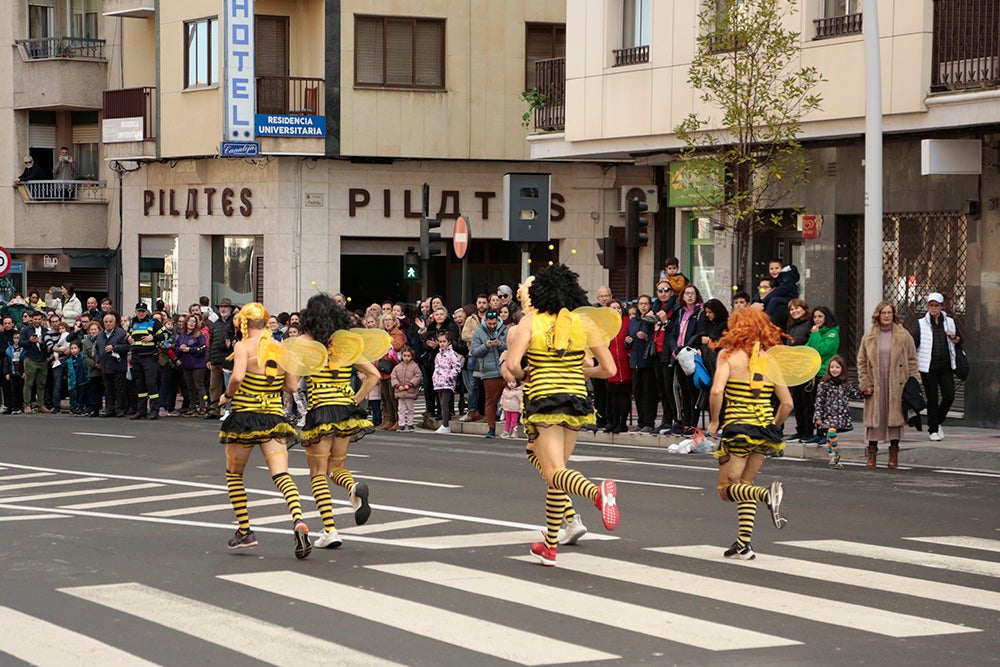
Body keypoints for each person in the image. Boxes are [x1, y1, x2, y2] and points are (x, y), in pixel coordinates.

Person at [503, 264, 620, 567]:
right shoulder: (583, 322)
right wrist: (587, 370)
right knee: (558, 475)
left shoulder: (531, 321)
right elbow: (609, 369)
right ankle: (550, 546)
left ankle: (598, 493)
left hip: (545, 400)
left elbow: (514, 365)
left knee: (554, 472)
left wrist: (525, 372)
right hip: (576, 400)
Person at [219, 302, 311, 558]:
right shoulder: (281, 348)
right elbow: (292, 386)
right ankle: (299, 520)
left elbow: (236, 377)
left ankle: (245, 531)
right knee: (282, 475)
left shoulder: (242, 345)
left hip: (245, 417)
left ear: (244, 323)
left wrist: (226, 396)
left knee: (234, 474)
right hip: (273, 417)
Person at [707, 307, 792, 560]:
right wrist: (773, 426)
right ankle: (743, 544)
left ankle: (767, 495)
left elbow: (715, 392)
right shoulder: (771, 360)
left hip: (738, 427)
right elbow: (787, 404)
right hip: (764, 428)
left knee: (727, 489)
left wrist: (713, 422)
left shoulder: (728, 355)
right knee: (745, 484)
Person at [297, 293, 378, 549]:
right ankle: (353, 487)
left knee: (318, 473)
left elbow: (290, 381)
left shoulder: (306, 342)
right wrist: (355, 399)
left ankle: (330, 529)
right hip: (344, 412)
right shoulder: (346, 345)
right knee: (337, 466)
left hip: (320, 411)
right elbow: (374, 375)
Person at [857, 301, 920, 469]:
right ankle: (872, 454)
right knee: (875, 420)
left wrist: (914, 381)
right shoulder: (869, 336)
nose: (886, 316)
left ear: (894, 315)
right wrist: (865, 383)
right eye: (883, 313)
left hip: (897, 384)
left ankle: (893, 454)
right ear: (878, 315)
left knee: (894, 419)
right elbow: (861, 361)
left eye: (889, 313)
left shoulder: (904, 335)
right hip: (875, 383)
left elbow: (912, 360)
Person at [912, 292, 960, 442]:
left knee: (949, 396)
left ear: (941, 306)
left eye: (936, 305)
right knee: (932, 399)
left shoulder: (950, 322)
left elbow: (959, 341)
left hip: (945, 366)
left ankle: (937, 421)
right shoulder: (921, 323)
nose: (933, 308)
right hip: (928, 367)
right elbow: (914, 343)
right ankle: (933, 429)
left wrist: (952, 336)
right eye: (931, 305)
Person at [813, 355, 862, 468]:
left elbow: (854, 394)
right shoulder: (824, 384)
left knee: (831, 434)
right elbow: (819, 401)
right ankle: (835, 454)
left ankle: (833, 457)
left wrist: (865, 392)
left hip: (841, 414)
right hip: (828, 414)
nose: (834, 370)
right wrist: (818, 417)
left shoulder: (845, 384)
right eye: (832, 367)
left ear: (842, 369)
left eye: (837, 367)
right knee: (830, 432)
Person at [801, 306, 841, 443]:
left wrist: (815, 335)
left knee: (825, 405)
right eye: (815, 317)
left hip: (826, 372)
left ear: (826, 318)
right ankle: (818, 432)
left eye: (820, 317)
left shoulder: (832, 333)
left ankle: (825, 433)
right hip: (815, 371)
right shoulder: (815, 333)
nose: (817, 319)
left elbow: (822, 350)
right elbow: (808, 349)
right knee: (816, 404)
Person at [669, 284, 705, 434]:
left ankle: (693, 423)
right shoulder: (678, 312)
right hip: (678, 355)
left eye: (692, 293)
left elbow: (699, 333)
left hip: (690, 354)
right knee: (682, 389)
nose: (690, 296)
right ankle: (685, 422)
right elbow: (672, 332)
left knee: (692, 390)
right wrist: (674, 349)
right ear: (682, 296)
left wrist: (687, 347)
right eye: (687, 293)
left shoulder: (700, 312)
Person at [470, 309, 508, 438]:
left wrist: (500, 344)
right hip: (489, 371)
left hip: (506, 369)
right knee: (491, 401)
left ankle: (511, 427)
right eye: (490, 323)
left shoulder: (505, 329)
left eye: (494, 323)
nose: (492, 326)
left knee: (512, 399)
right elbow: (474, 352)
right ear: (485, 321)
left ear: (498, 320)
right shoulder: (478, 332)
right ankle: (491, 428)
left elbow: (512, 345)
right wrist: (485, 346)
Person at [127, 302, 166, 420]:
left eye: (143, 311)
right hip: (136, 357)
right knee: (140, 385)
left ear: (146, 312)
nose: (141, 313)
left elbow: (166, 335)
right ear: (135, 312)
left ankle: (154, 410)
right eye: (139, 311)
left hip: (149, 357)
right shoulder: (132, 323)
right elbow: (128, 334)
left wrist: (153, 337)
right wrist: (128, 338)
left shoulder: (153, 322)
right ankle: (141, 411)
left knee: (151, 383)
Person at [625, 294, 657, 433]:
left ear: (650, 305)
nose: (643, 306)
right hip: (635, 362)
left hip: (647, 361)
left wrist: (645, 337)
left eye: (646, 303)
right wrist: (627, 341)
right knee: (638, 393)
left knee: (649, 393)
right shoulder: (634, 321)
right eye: (640, 303)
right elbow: (627, 339)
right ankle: (641, 420)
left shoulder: (651, 320)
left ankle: (649, 421)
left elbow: (654, 337)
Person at [784, 298, 815, 442]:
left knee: (806, 400)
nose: (794, 311)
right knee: (797, 400)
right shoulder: (792, 326)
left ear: (804, 309)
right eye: (791, 309)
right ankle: (800, 429)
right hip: (793, 368)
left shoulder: (809, 324)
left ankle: (808, 430)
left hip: (805, 368)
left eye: (797, 308)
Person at [605, 300, 633, 434]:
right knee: (613, 395)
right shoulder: (606, 324)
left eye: (618, 307)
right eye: (613, 308)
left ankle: (623, 422)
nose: (617, 310)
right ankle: (614, 421)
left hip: (624, 363)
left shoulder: (628, 321)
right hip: (611, 363)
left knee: (623, 394)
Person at [206, 298, 235, 418]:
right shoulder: (216, 323)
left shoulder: (233, 323)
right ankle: (214, 410)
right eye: (221, 307)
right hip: (215, 359)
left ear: (230, 309)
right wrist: (209, 358)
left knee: (229, 386)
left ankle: (229, 410)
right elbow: (211, 342)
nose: (223, 309)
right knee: (214, 386)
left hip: (228, 360)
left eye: (226, 307)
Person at [96, 313, 129, 417]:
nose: (108, 324)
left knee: (120, 389)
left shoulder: (121, 333)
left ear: (115, 323)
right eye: (106, 322)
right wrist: (98, 360)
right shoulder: (100, 334)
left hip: (118, 366)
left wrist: (114, 347)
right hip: (105, 366)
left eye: (110, 322)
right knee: (108, 389)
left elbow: (127, 347)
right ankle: (109, 409)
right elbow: (96, 348)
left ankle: (121, 409)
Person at [19, 311, 52, 414]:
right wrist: (30, 341)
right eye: (35, 319)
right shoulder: (26, 330)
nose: (37, 321)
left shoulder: (46, 330)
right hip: (30, 358)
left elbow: (48, 345)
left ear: (42, 319)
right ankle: (27, 405)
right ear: (31, 319)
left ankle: (41, 404)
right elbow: (20, 342)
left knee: (41, 383)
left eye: (39, 319)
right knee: (28, 383)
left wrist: (41, 342)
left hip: (42, 359)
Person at [176, 314, 209, 416]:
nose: (191, 323)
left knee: (199, 386)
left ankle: (203, 408)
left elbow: (203, 348)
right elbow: (176, 349)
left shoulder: (199, 335)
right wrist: (180, 348)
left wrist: (190, 349)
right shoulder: (182, 336)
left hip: (198, 365)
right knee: (190, 387)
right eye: (190, 321)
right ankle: (192, 407)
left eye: (194, 321)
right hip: (186, 364)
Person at [432, 330, 462, 434]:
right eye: (440, 342)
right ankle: (444, 424)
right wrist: (435, 378)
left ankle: (445, 425)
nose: (442, 344)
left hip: (447, 383)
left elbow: (457, 368)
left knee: (444, 403)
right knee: (441, 403)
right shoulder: (438, 355)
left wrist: (449, 376)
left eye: (444, 341)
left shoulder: (452, 354)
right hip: (439, 382)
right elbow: (436, 368)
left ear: (449, 342)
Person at [391, 346, 422, 431]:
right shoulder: (397, 367)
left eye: (408, 356)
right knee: (400, 409)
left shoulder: (415, 366)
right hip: (400, 391)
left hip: (410, 391)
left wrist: (410, 384)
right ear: (401, 356)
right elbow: (393, 376)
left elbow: (418, 376)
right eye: (404, 356)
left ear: (412, 356)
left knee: (410, 409)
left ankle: (410, 424)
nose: (406, 358)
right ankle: (401, 424)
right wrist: (397, 385)